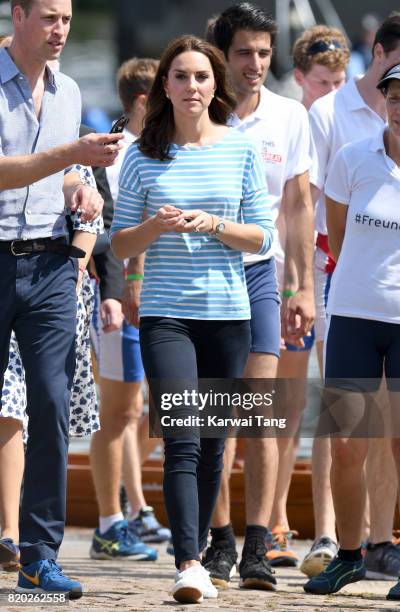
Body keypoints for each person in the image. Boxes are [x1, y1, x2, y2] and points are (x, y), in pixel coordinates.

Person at [111, 34, 275, 604]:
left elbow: (262, 234)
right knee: (182, 437)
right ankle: (187, 562)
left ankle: (201, 548)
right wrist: (154, 228)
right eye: (180, 77)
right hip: (166, 315)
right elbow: (118, 242)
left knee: (214, 444)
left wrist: (210, 224)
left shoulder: (242, 149)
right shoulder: (141, 153)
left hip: (229, 315)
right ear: (164, 86)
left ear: (215, 85)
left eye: (201, 77)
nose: (191, 87)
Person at [0, 0, 122, 598]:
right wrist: (70, 158)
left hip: (51, 263)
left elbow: (60, 174)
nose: (61, 31)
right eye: (49, 18)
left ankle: (38, 556)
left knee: (49, 404)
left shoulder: (69, 90)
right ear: (17, 14)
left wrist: (83, 188)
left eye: (68, 20)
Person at [203, 2, 314, 589]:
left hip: (261, 275)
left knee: (261, 412)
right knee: (217, 415)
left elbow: (297, 206)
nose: (254, 64)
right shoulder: (198, 110)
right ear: (221, 53)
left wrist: (302, 286)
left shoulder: (289, 116)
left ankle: (257, 545)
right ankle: (219, 540)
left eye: (264, 54)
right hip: (203, 278)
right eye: (244, 52)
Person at [306, 12, 400, 583]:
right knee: (346, 443)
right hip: (353, 318)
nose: (399, 104)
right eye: (394, 94)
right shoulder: (352, 159)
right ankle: (347, 557)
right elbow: (337, 238)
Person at [0, 163, 102, 571]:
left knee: (41, 409)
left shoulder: (75, 156)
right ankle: (10, 531)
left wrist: (73, 271)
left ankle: (25, 543)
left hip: (54, 291)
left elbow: (89, 224)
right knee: (9, 407)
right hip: (10, 280)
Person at [89, 57, 168, 562]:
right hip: (121, 300)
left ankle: (131, 507)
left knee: (137, 409)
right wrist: (123, 289)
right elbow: (112, 235)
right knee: (118, 413)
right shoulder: (113, 158)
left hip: (154, 299)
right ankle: (108, 522)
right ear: (143, 103)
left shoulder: (156, 151)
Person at [284, 25, 349, 577]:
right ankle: (276, 518)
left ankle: (329, 530)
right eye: (321, 81)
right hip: (292, 269)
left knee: (334, 399)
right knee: (278, 398)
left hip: (333, 268)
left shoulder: (347, 119)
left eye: (339, 81)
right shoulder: (295, 122)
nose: (330, 90)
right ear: (301, 78)